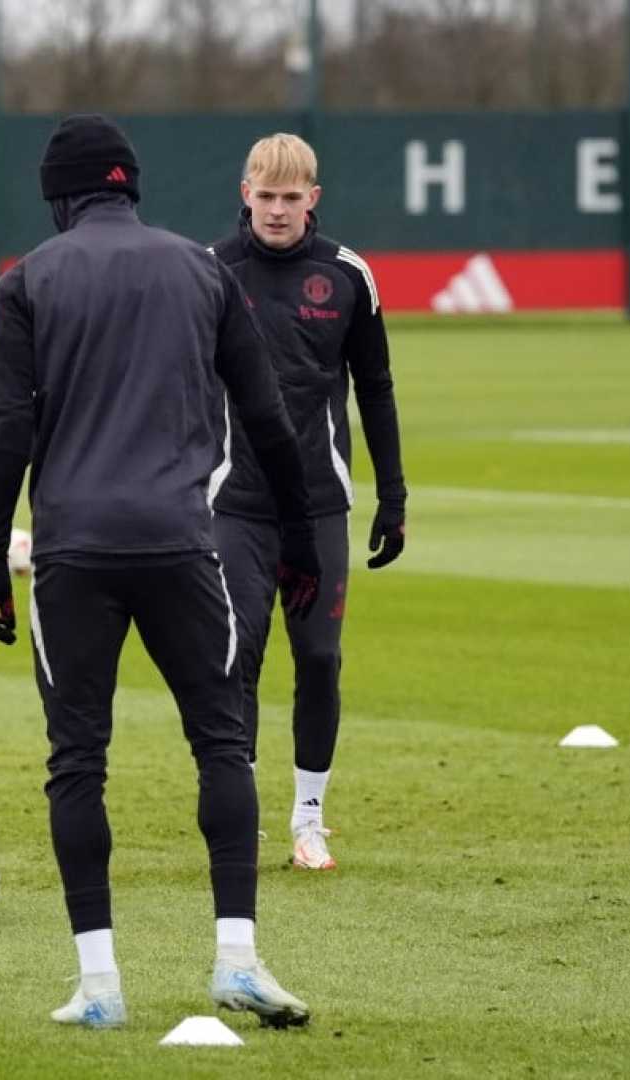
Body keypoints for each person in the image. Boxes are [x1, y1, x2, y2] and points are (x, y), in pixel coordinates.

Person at [0, 115, 321, 1029]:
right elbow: (268, 418)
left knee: (78, 761)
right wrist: (299, 539)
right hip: (182, 543)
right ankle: (237, 960)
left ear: (60, 196)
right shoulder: (203, 269)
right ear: (131, 186)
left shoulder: (27, 280)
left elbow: (6, 433)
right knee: (222, 744)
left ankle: (100, 987)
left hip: (73, 551)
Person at [210, 133, 407, 872]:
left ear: (313, 199)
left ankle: (310, 819)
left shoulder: (347, 274)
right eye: (266, 196)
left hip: (321, 503)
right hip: (234, 502)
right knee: (238, 656)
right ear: (246, 193)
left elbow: (376, 388)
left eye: (291, 198)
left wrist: (393, 495)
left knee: (319, 657)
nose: (277, 210)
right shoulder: (211, 271)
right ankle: (240, 816)